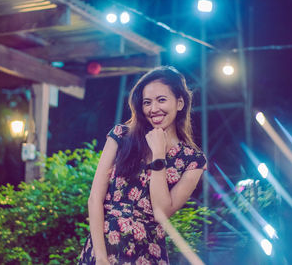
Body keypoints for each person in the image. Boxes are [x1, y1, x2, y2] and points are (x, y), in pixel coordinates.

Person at [78, 66, 207, 265]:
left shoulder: (193, 160)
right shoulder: (121, 136)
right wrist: (101, 257)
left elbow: (161, 212)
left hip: (148, 254)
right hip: (103, 248)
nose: (153, 109)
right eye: (147, 102)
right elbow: (95, 198)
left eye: (161, 100)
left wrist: (158, 154)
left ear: (180, 103)